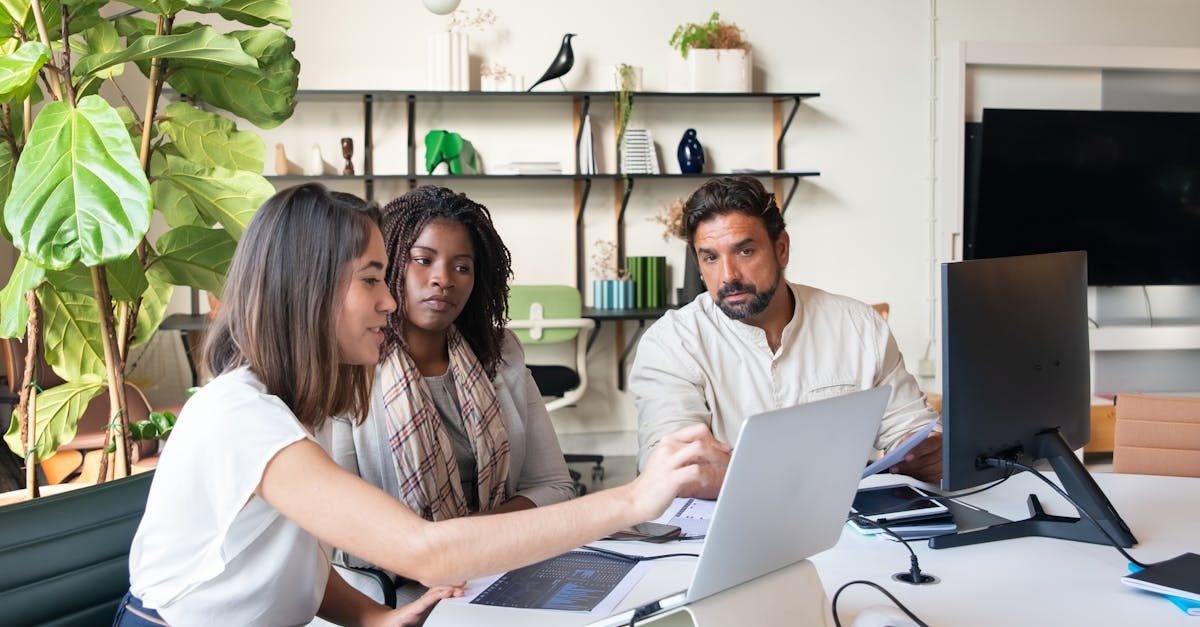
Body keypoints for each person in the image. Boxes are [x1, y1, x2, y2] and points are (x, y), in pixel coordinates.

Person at [121, 183, 709, 627]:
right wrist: (633, 499)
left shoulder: (299, 402)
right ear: (309, 288)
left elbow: (290, 552)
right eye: (373, 279)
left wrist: (371, 619)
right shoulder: (242, 417)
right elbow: (425, 550)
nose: (389, 301)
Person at [629, 176, 941, 500]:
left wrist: (925, 451)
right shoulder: (671, 343)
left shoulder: (859, 326)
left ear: (781, 249)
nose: (728, 275)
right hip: (726, 522)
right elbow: (670, 465)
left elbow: (913, 428)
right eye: (710, 258)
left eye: (745, 251)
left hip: (846, 519)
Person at [328, 186, 574, 579]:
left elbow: (554, 487)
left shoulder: (501, 353)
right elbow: (338, 533)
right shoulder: (349, 367)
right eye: (423, 260)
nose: (442, 279)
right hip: (398, 590)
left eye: (462, 267)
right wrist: (444, 551)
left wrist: (470, 541)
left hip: (502, 568)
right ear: (388, 264)